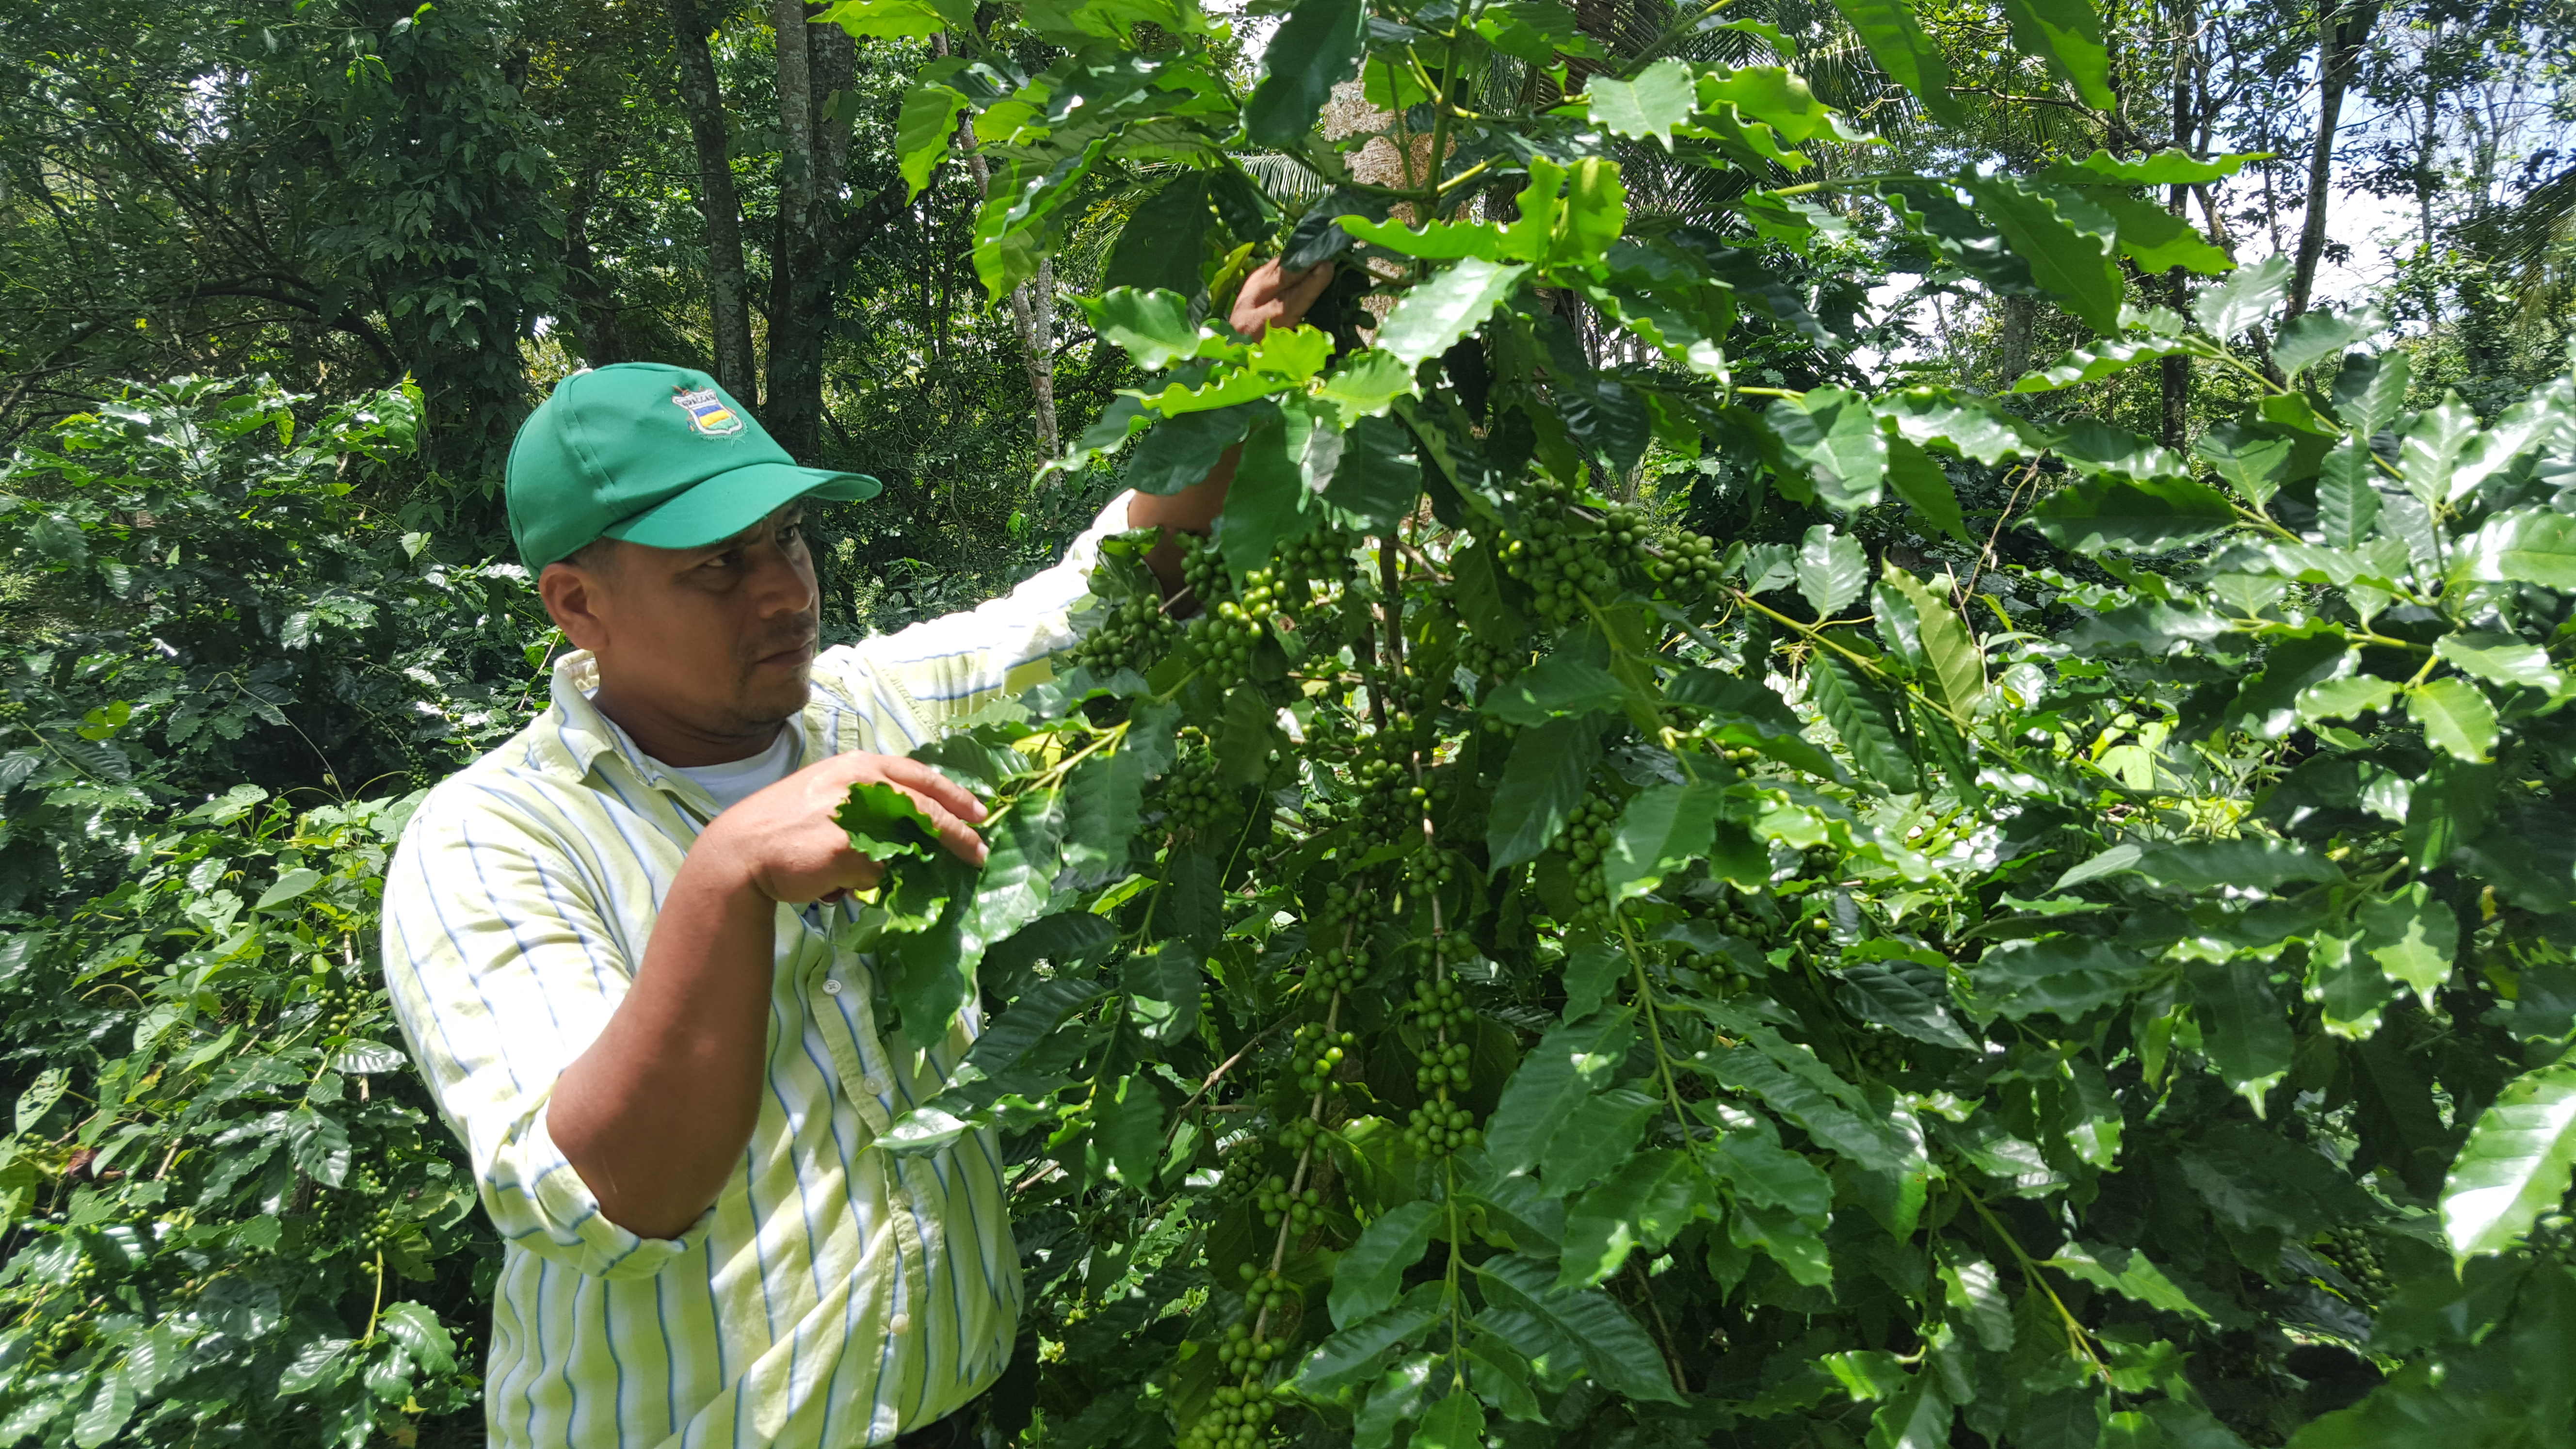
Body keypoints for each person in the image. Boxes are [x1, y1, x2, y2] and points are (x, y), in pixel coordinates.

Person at [381, 259, 1332, 1449]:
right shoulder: (492, 837)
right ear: (577, 604)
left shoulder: (863, 711)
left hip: (950, 1408)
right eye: (717, 566)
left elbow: (1104, 597)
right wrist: (725, 878)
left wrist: (1240, 380)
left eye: (787, 540)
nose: (784, 593)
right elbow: (602, 1197)